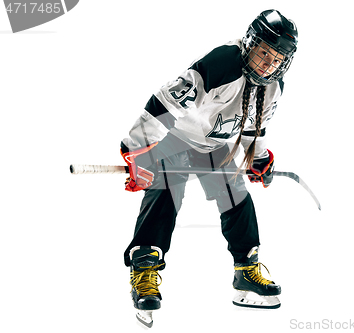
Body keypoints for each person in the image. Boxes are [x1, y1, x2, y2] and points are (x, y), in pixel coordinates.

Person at [120, 9, 298, 327]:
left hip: (214, 146)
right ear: (250, 44)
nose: (268, 64)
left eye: (277, 59)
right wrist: (136, 150)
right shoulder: (221, 64)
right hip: (176, 139)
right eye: (264, 53)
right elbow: (164, 101)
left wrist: (257, 160)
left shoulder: (273, 87)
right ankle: (145, 267)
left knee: (236, 195)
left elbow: (254, 128)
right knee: (166, 190)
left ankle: (246, 270)